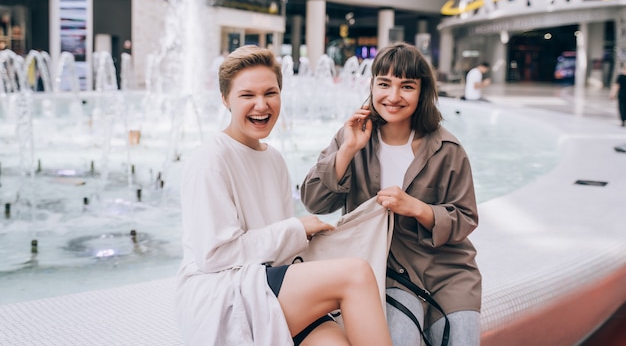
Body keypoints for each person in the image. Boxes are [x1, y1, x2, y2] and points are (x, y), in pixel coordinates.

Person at [175, 45, 392, 346]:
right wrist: (296, 228)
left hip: (269, 285)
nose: (261, 105)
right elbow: (215, 256)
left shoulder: (274, 159)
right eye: (247, 95)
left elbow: (276, 247)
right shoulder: (210, 161)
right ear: (225, 99)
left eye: (270, 93)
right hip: (223, 293)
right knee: (355, 274)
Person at [301, 43, 482, 346]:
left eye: (407, 86)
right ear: (371, 85)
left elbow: (466, 217)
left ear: (422, 91)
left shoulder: (447, 149)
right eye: (384, 84)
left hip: (447, 273)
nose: (394, 97)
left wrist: (417, 208)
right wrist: (347, 150)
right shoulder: (353, 135)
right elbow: (314, 200)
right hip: (383, 270)